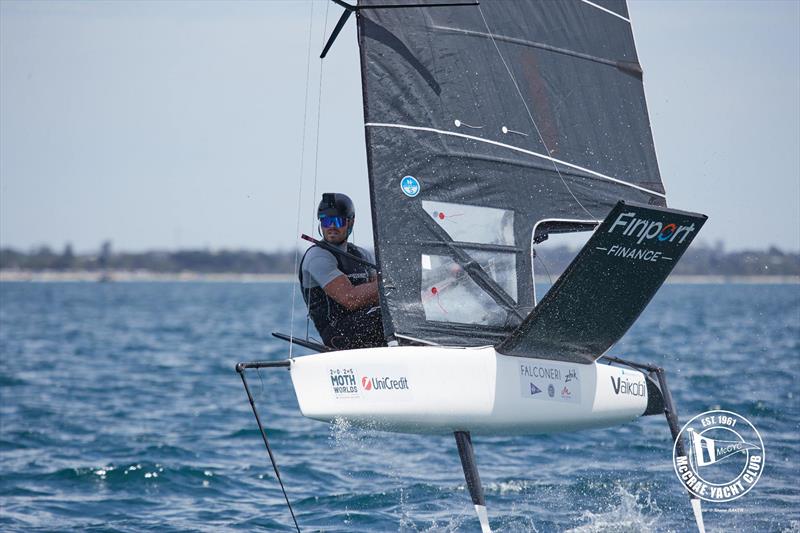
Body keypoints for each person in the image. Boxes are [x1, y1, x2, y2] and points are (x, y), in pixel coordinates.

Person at [299, 193, 386, 350]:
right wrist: (392, 283)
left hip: (368, 322)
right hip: (337, 334)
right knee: (386, 316)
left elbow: (380, 295)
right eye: (326, 221)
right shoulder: (318, 257)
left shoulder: (362, 254)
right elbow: (350, 298)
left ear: (350, 222)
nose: (331, 227)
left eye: (337, 221)